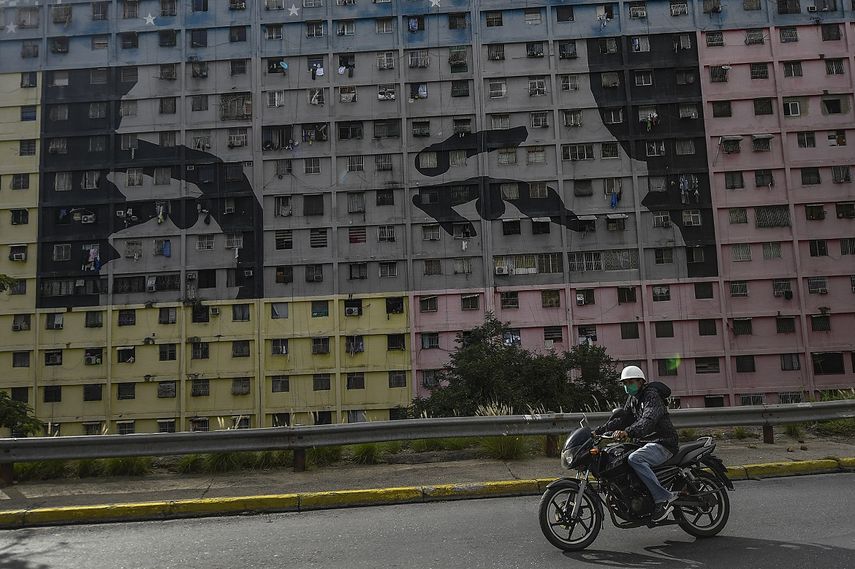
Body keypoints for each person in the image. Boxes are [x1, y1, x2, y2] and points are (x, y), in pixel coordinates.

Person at [595, 365, 680, 522]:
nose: (628, 386)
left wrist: (628, 432)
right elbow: (623, 419)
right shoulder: (633, 399)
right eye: (625, 383)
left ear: (641, 381)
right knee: (617, 456)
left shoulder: (651, 396)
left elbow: (648, 420)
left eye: (631, 382)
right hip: (644, 443)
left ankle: (663, 499)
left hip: (663, 443)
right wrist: (598, 431)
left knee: (636, 459)